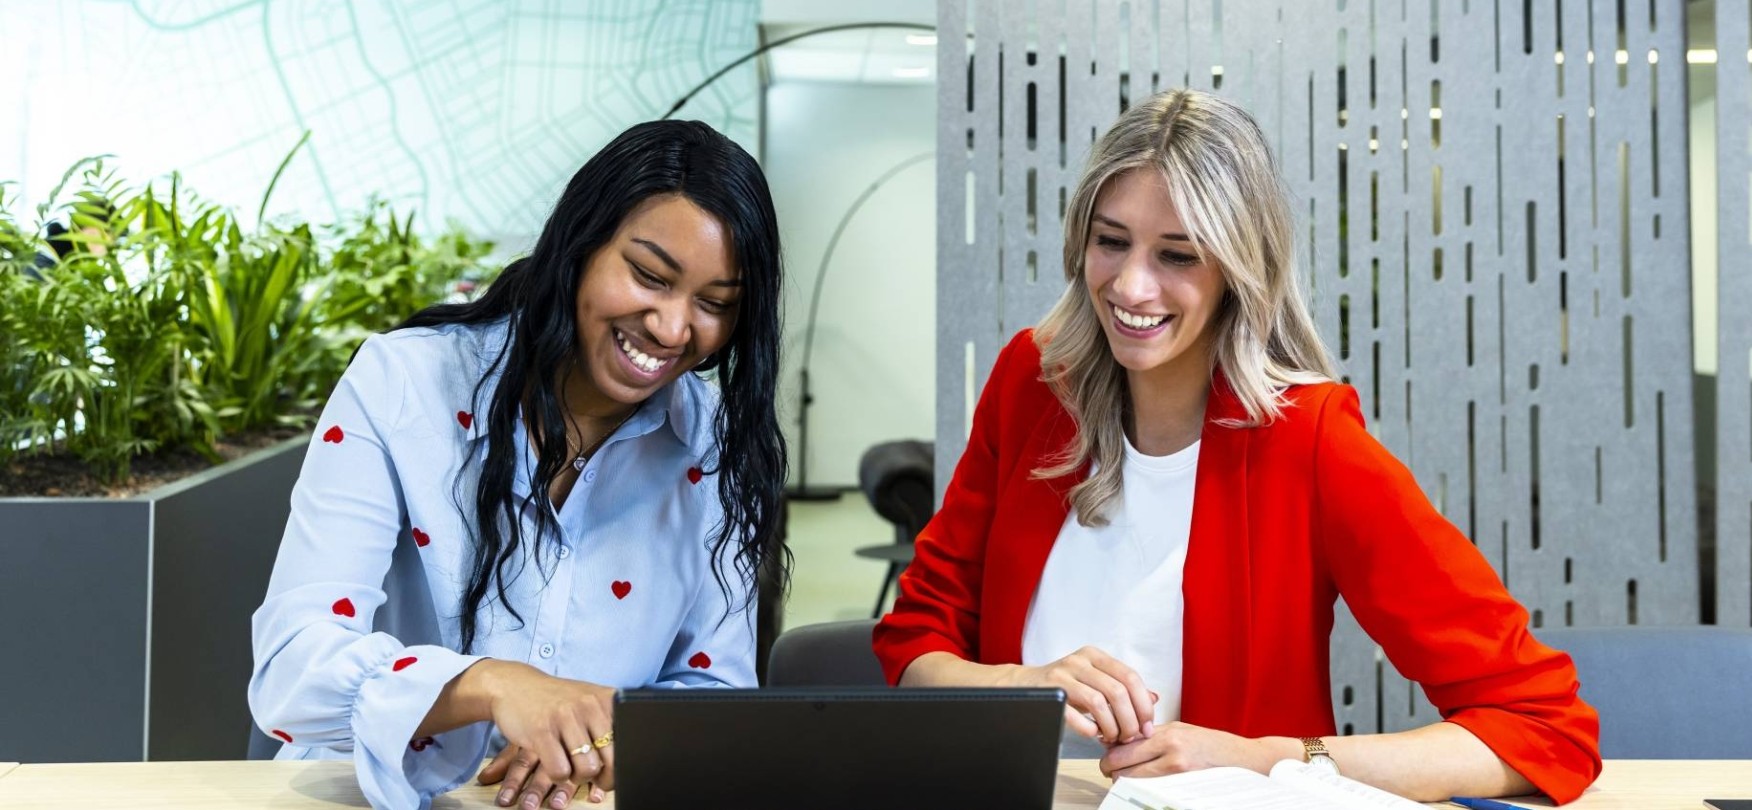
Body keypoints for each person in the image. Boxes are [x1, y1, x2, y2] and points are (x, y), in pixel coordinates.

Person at [872, 89, 1601, 804]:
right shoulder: (1033, 383)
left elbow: (1542, 725)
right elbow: (914, 641)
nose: (1130, 285)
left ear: (1237, 269)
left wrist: (1267, 761)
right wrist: (1017, 685)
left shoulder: (1310, 440)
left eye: (1178, 256)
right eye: (1111, 241)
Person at [249, 119, 788, 810]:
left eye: (714, 305)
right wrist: (494, 685)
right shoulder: (403, 385)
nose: (673, 328)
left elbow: (715, 699)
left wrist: (605, 748)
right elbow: (294, 668)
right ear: (580, 244)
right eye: (650, 276)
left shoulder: (712, 444)